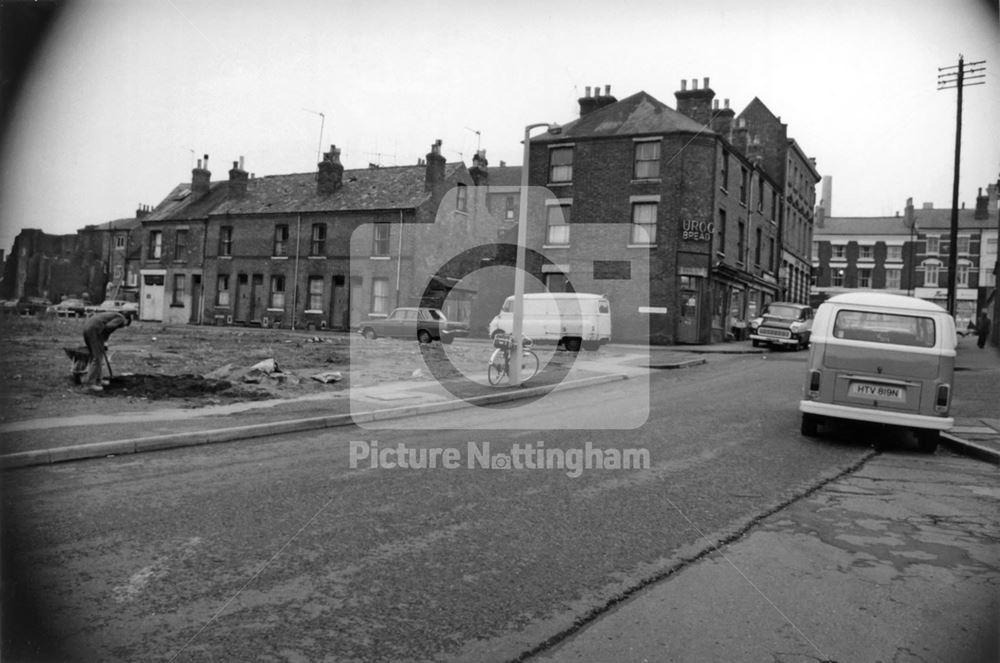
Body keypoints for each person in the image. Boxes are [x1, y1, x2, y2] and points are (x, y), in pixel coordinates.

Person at [82, 311, 130, 391]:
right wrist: (104, 341)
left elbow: (108, 328)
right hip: (95, 330)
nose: (122, 327)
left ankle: (98, 380)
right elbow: (108, 327)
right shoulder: (121, 318)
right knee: (97, 358)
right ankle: (90, 384)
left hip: (88, 328)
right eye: (125, 325)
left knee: (97, 356)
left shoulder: (113, 315)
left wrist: (104, 341)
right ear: (127, 320)